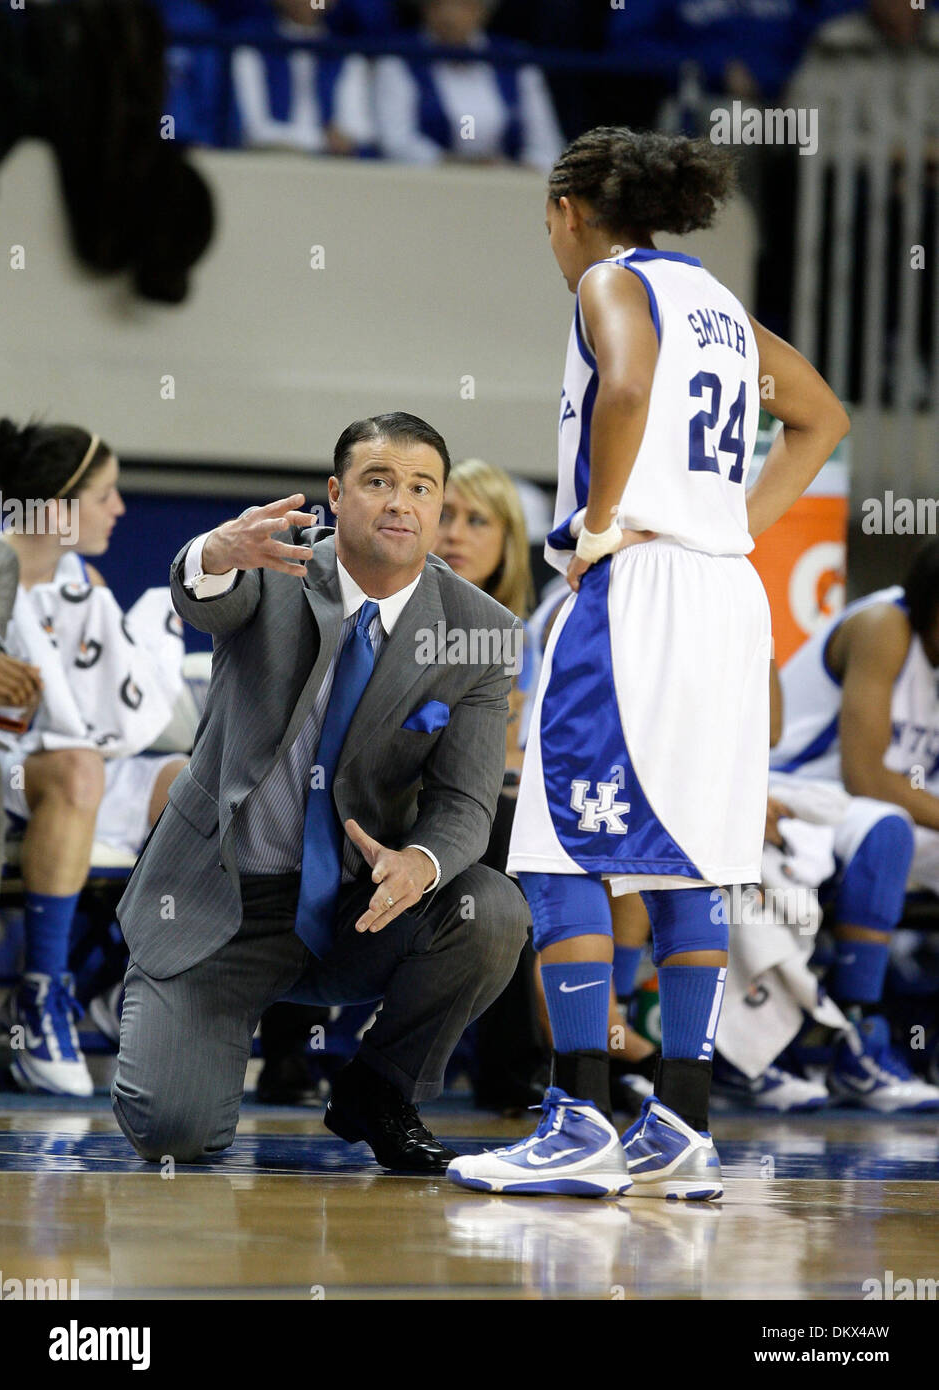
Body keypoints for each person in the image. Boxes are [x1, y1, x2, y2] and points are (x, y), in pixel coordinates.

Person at [447, 125, 850, 1200]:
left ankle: (577, 1116)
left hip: (642, 591)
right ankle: (681, 1119)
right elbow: (820, 416)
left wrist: (600, 522)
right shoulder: (714, 300)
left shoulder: (610, 283)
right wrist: (729, 523)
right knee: (690, 859)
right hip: (724, 591)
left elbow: (622, 388)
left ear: (568, 210)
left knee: (556, 850)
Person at [111, 412, 530, 1172]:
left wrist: (422, 864)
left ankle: (379, 1088)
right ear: (337, 496)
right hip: (223, 901)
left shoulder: (481, 632)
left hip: (359, 908)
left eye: (419, 487)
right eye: (378, 482)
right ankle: (177, 1006)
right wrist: (211, 553)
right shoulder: (272, 565)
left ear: (437, 508)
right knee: (173, 1135)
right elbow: (203, 595)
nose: (399, 502)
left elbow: (466, 804)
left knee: (489, 907)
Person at [0, 419, 189, 1097]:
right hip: (16, 766)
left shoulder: (84, 578)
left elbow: (112, 709)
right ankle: (39, 994)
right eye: (106, 494)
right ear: (56, 507)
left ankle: (128, 995)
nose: (120, 508)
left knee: (200, 786)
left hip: (73, 763)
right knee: (78, 767)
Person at [767, 539, 939, 1110]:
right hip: (790, 793)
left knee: (888, 825)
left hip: (869, 815)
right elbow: (865, 776)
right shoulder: (884, 626)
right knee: (886, 825)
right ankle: (857, 1043)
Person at [435, 457, 548, 1109]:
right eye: (445, 515)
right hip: (388, 797)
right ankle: (515, 1065)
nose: (455, 533)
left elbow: (509, 750)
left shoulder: (520, 636)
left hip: (475, 804)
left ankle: (565, 1055)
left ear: (508, 542)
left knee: (536, 833)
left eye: (478, 520)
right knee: (506, 834)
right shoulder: (396, 608)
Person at [374, 0, 563, 171]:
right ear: (424, 8)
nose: (449, 15)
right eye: (439, 4)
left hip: (504, 183)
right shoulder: (400, 57)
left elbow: (546, 144)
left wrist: (516, 170)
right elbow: (397, 140)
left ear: (482, 10)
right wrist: (454, 164)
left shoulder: (514, 58)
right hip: (432, 183)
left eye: (462, 4)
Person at [227, 0, 376, 156]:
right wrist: (322, 140)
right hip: (270, 161)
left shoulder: (345, 55)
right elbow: (254, 131)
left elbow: (359, 130)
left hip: (331, 165)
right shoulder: (252, 46)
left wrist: (343, 140)